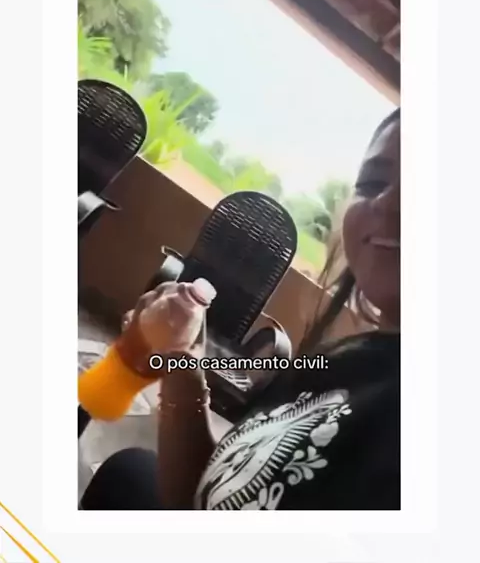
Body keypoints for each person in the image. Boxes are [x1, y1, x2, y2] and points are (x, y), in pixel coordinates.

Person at [80, 108, 400, 511]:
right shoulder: (349, 361)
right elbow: (222, 489)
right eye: (372, 182)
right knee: (130, 470)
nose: (388, 202)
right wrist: (181, 363)